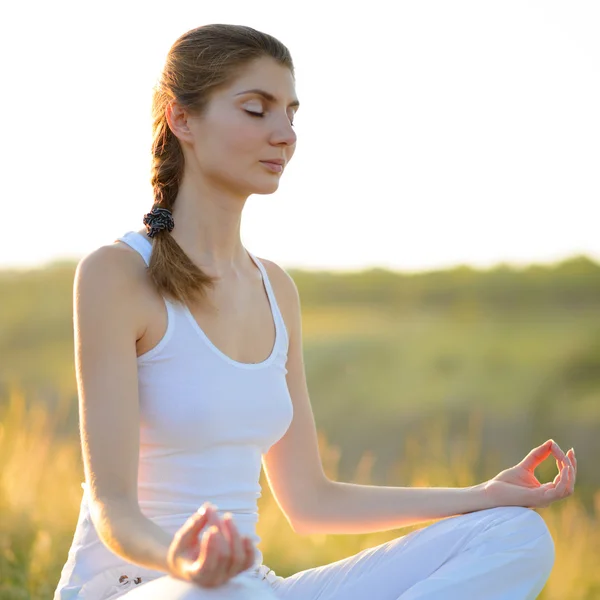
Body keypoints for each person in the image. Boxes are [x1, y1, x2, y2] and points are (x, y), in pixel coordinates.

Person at [53, 23, 577, 600]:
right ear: (183, 120)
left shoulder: (275, 289)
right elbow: (112, 510)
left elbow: (310, 500)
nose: (284, 134)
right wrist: (182, 560)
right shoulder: (115, 274)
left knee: (514, 534)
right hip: (142, 585)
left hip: (251, 589)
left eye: (291, 114)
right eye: (256, 110)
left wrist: (481, 495)